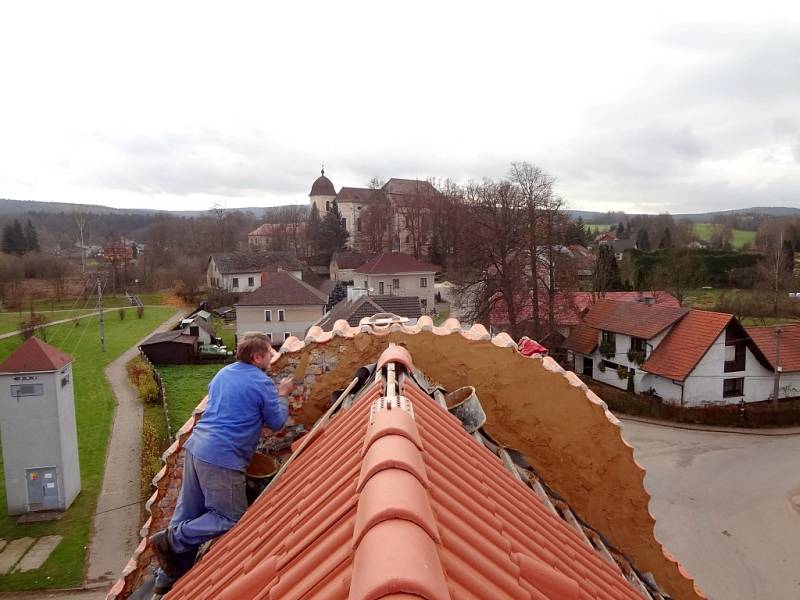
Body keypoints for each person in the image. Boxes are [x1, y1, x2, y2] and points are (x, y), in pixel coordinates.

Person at [150, 331, 292, 592]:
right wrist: (282, 394)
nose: (273, 356)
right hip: (222, 457)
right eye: (269, 353)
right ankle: (171, 541)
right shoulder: (261, 383)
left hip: (196, 449)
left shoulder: (223, 373)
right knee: (230, 517)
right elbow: (277, 422)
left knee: (187, 513)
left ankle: (167, 577)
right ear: (257, 357)